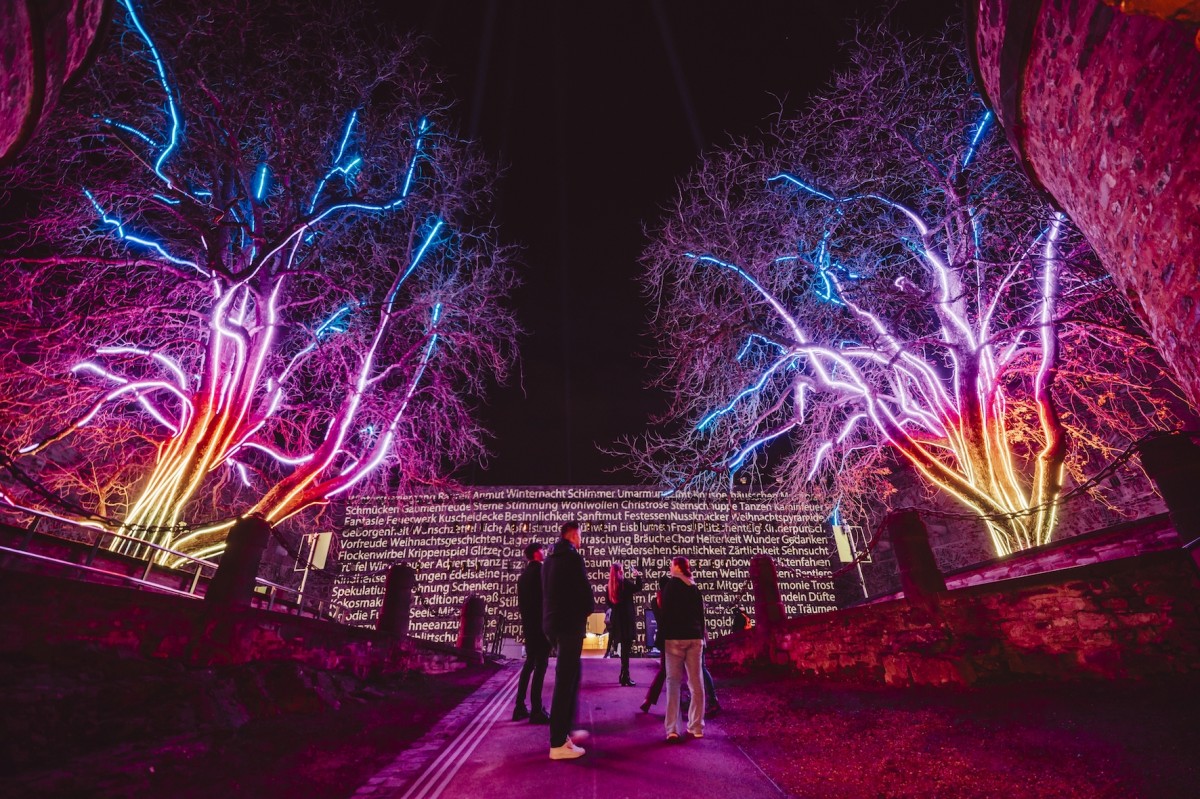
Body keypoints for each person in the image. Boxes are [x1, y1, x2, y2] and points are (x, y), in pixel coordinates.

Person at [542, 521, 595, 760]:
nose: (581, 540)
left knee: (569, 677)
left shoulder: (550, 560)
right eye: (580, 535)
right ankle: (557, 743)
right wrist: (586, 611)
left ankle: (564, 735)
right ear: (573, 535)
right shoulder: (573, 558)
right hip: (569, 625)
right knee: (565, 682)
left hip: (552, 625)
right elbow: (585, 592)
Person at [658, 555, 705, 741]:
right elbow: (700, 615)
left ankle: (672, 729)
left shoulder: (670, 586)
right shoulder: (693, 587)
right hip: (695, 638)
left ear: (677, 567)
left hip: (674, 639)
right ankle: (696, 727)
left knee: (673, 683)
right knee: (696, 684)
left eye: (671, 565)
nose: (670, 568)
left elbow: (666, 614)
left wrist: (660, 639)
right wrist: (702, 636)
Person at [513, 541, 550, 724]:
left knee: (529, 665)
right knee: (541, 666)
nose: (544, 552)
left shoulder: (523, 577)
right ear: (536, 554)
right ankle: (536, 709)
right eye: (542, 550)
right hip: (541, 627)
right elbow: (545, 601)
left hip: (528, 627)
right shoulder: (541, 573)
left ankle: (519, 706)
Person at [607, 561, 644, 686]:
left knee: (623, 649)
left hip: (617, 621)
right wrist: (637, 575)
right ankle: (625, 676)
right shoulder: (624, 584)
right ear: (620, 571)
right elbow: (639, 587)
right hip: (627, 620)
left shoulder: (610, 587)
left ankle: (623, 675)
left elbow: (609, 603)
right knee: (626, 650)